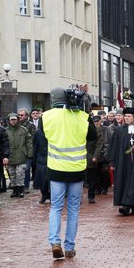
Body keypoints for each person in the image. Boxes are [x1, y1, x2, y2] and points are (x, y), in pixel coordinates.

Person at [42, 86, 97, 258]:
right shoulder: (82, 116)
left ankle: (55, 242)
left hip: (56, 169)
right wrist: (86, 113)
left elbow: (44, 136)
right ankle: (70, 246)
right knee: (73, 209)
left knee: (56, 207)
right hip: (77, 170)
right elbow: (93, 136)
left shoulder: (46, 116)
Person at [5, 113, 33, 198]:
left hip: (21, 155)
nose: (13, 122)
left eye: (15, 119)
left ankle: (21, 190)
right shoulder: (5, 130)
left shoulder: (23, 130)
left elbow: (29, 142)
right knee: (12, 174)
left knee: (20, 173)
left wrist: (29, 153)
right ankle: (14, 190)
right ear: (9, 121)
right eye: (11, 120)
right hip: (10, 156)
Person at [86, 116, 103, 203]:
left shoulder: (97, 130)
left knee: (91, 179)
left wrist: (96, 156)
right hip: (78, 157)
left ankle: (91, 196)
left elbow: (99, 144)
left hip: (90, 157)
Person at [18, 108, 36, 193]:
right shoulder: (16, 125)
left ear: (26, 116)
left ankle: (26, 186)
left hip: (27, 150)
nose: (19, 116)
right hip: (18, 151)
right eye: (19, 115)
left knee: (27, 169)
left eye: (21, 115)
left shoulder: (30, 125)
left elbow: (32, 138)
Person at [32, 118, 50, 204]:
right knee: (42, 179)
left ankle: (51, 195)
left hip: (51, 157)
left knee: (50, 179)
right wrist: (34, 160)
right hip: (41, 158)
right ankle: (44, 195)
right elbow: (35, 146)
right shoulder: (38, 133)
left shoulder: (53, 131)